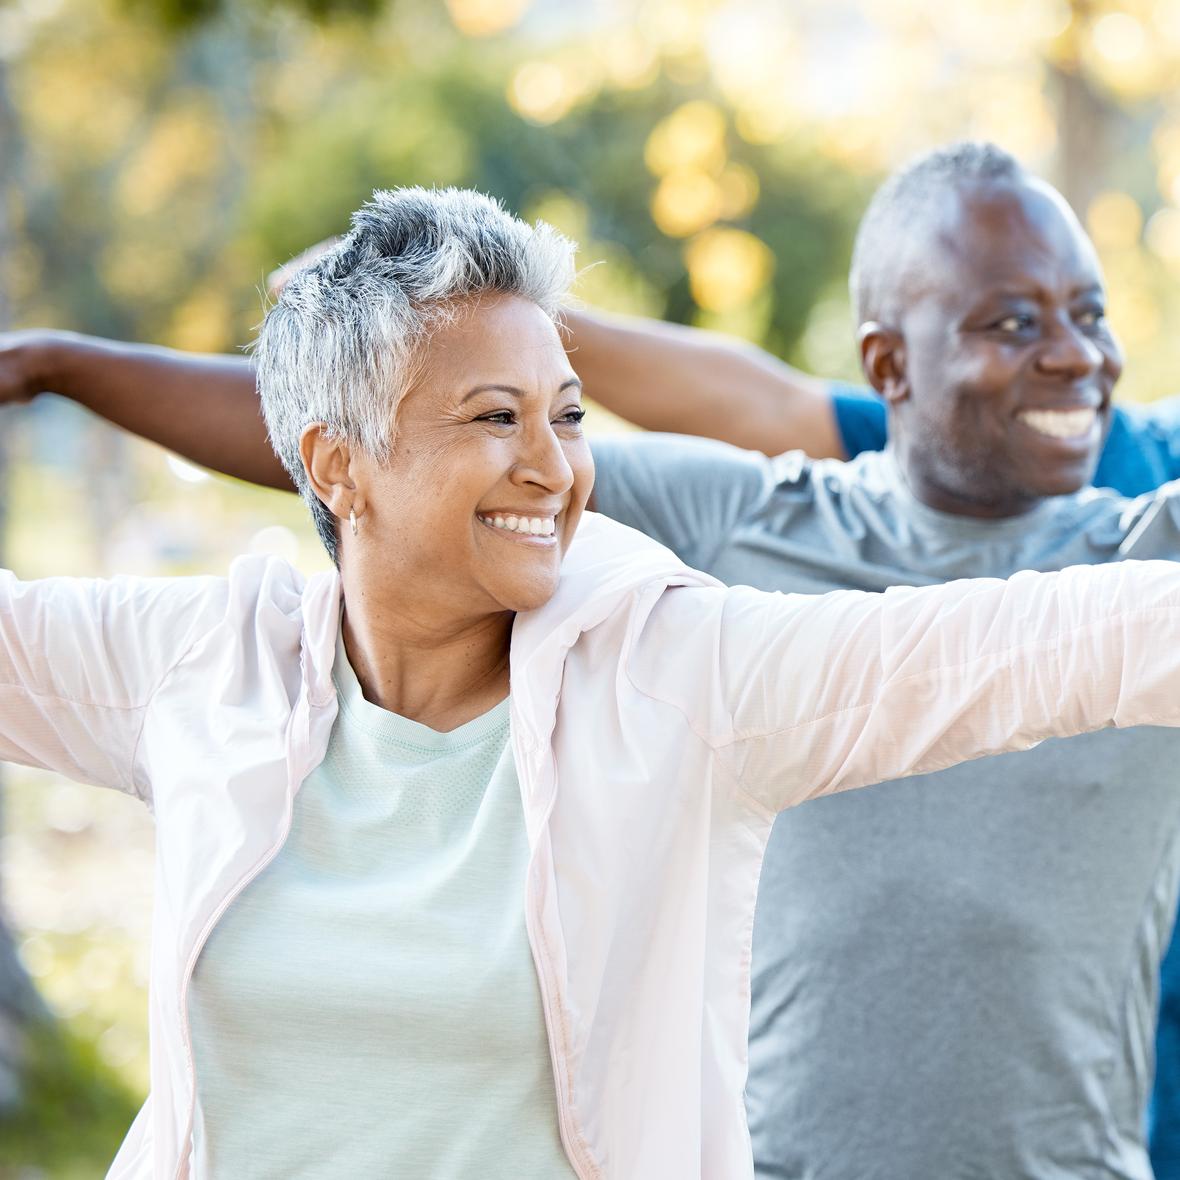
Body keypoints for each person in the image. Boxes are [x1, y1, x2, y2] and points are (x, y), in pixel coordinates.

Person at [11, 145, 1180, 1180]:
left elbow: (1015, 648)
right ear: (335, 464)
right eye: (494, 418)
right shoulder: (213, 666)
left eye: (567, 417)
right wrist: (70, 364)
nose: (553, 467)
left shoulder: (677, 677)